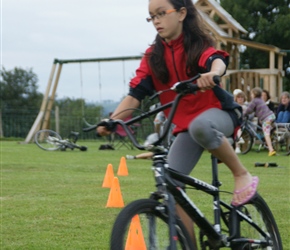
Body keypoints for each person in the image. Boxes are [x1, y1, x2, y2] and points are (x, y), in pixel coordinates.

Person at [97, 0, 258, 245]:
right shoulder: (153, 57)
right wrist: (111, 120)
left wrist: (213, 74)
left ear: (182, 13)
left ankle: (241, 173)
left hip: (219, 113)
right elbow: (135, 94)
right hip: (186, 127)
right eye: (152, 16)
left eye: (162, 13)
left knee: (201, 126)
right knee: (172, 186)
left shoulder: (197, 44)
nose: (157, 21)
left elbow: (217, 60)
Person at [244, 87, 276, 156]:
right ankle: (274, 136)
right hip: (271, 115)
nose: (251, 95)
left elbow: (249, 109)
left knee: (266, 134)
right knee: (269, 129)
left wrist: (243, 114)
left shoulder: (254, 101)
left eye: (251, 94)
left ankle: (271, 150)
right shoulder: (260, 100)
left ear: (254, 94)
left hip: (266, 118)